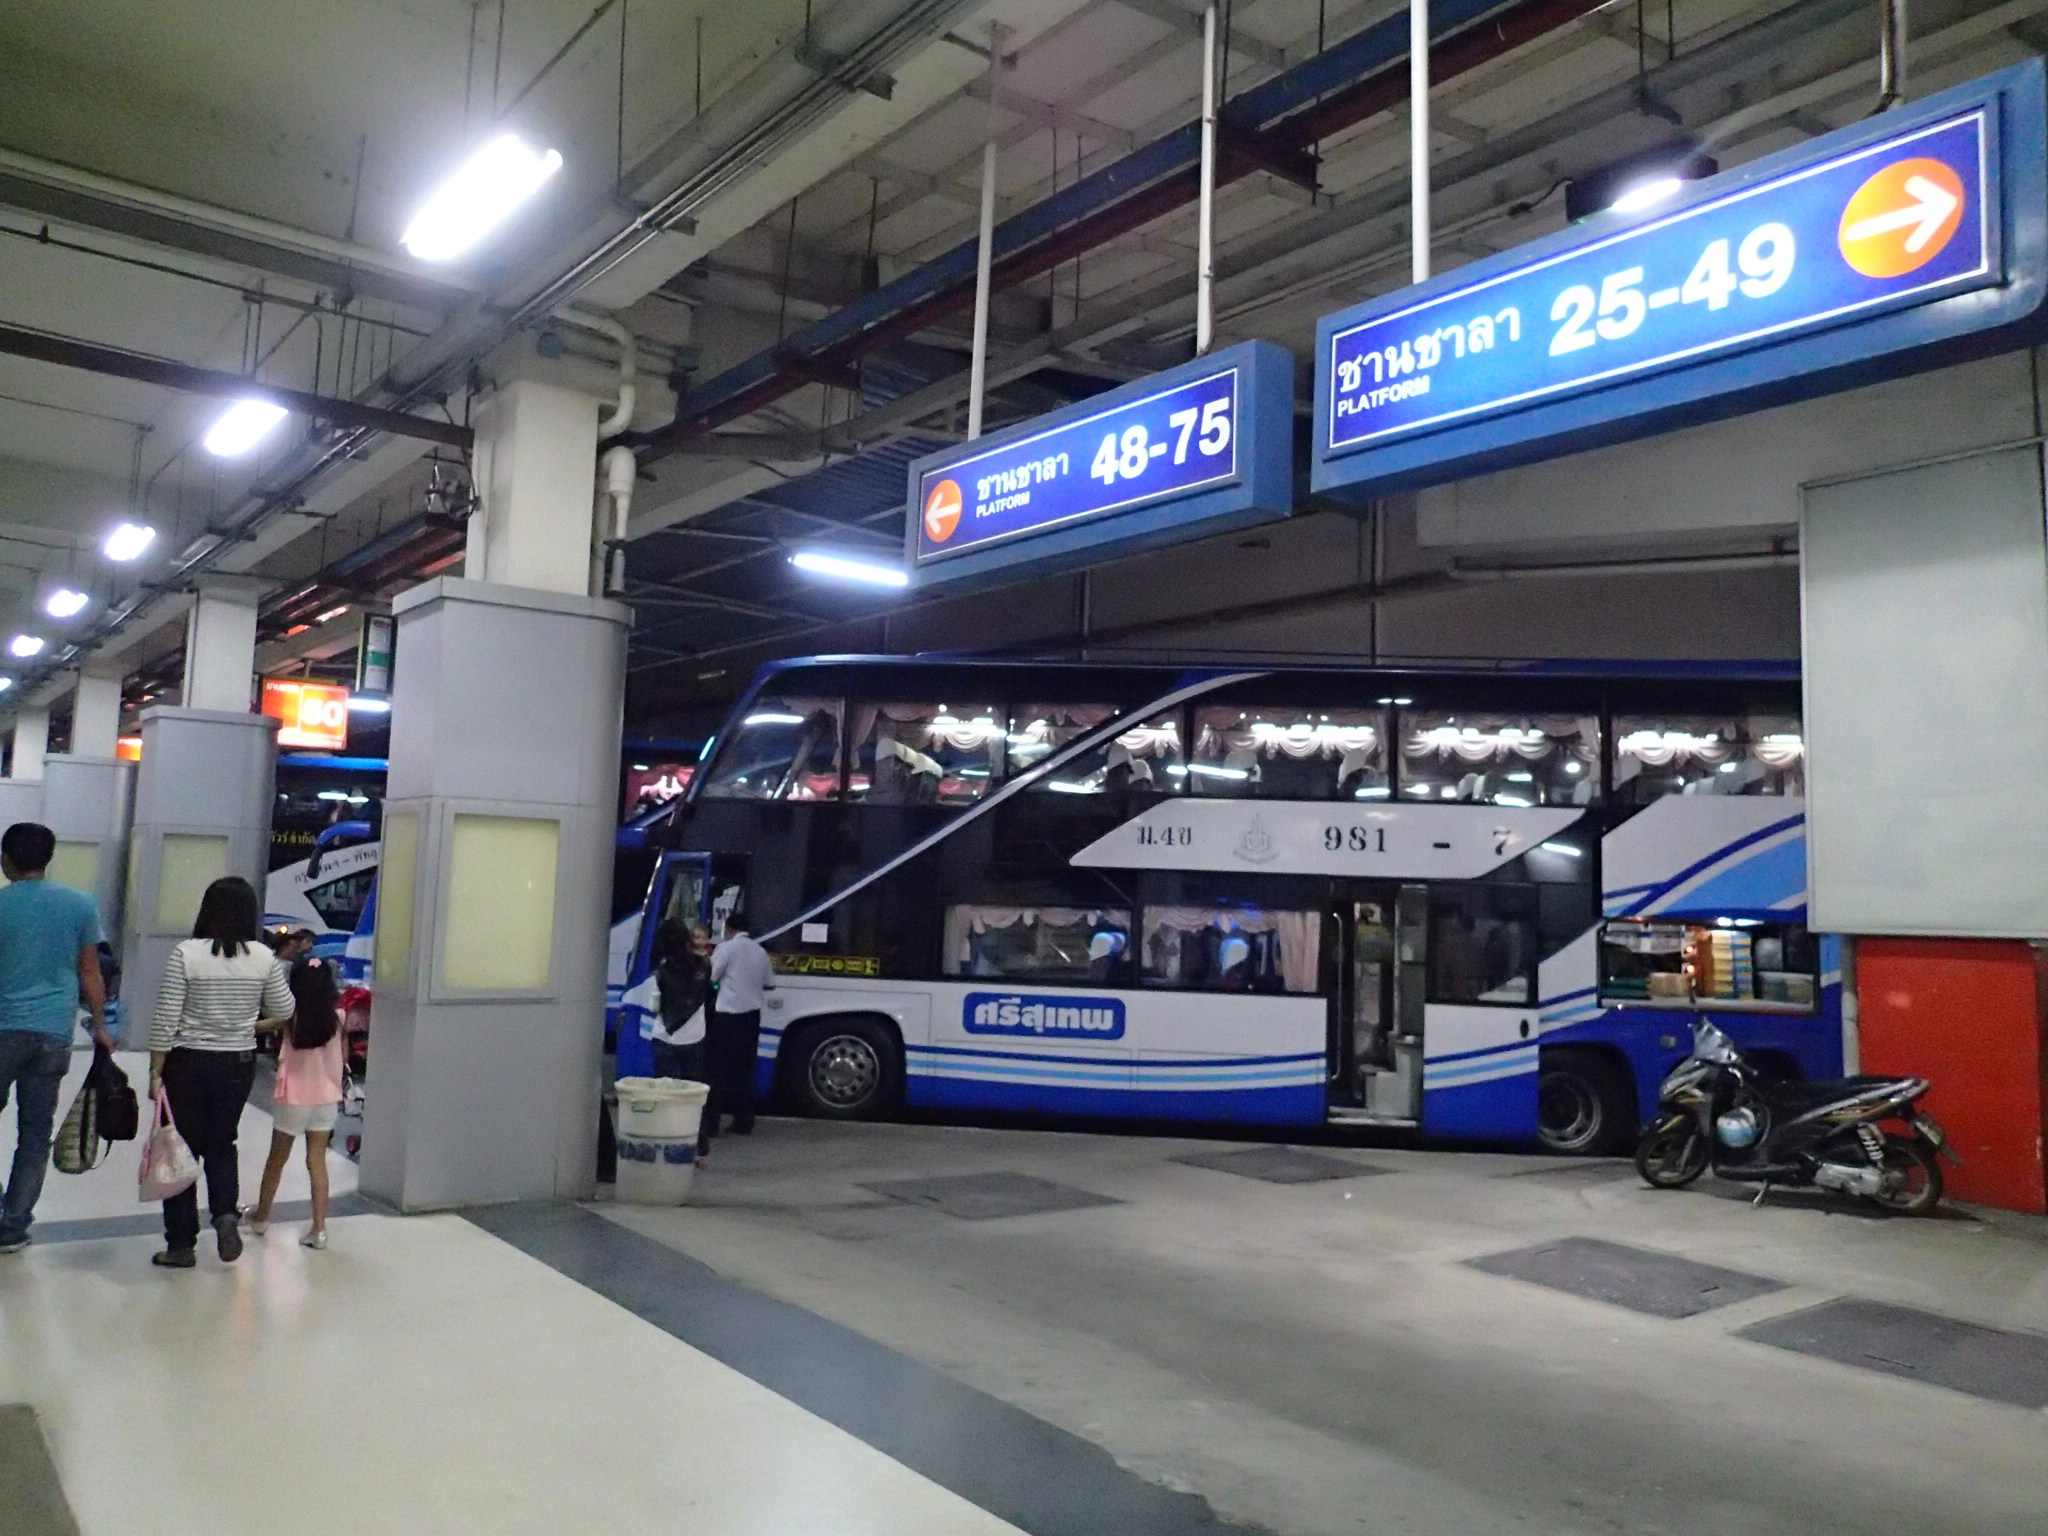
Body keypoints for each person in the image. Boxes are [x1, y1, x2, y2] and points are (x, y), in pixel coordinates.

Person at [148, 876, 293, 1269]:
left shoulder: (186, 954)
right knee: (221, 1143)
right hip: (237, 1064)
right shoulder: (263, 957)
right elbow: (284, 1010)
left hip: (188, 1062)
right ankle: (226, 1217)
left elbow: (166, 1018)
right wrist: (250, 1026)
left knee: (179, 1149)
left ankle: (181, 1245)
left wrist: (155, 1070)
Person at [0, 823, 111, 1255]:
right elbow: (90, 971)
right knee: (35, 1132)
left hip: (2, 1030)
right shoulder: (79, 905)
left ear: (6, 858)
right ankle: (14, 1224)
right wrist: (100, 1024)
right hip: (52, 1033)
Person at [247, 957, 343, 1250]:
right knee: (317, 1162)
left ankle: (262, 1217)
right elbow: (344, 1056)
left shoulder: (292, 1018)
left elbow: (257, 1027)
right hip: (326, 1097)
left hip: (294, 1099)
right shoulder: (337, 1017)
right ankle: (319, 1229)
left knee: (277, 1160)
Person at [704, 912, 774, 1151]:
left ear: (729, 928)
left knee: (717, 1071)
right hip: (751, 1018)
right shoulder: (760, 951)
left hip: (726, 1017)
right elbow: (769, 982)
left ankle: (711, 1123)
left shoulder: (726, 948)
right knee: (745, 1071)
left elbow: (711, 976)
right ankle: (744, 1122)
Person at [648, 922, 708, 1082]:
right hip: (695, 1037)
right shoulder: (705, 965)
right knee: (692, 1093)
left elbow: (653, 1006)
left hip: (665, 1038)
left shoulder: (662, 970)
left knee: (666, 1093)